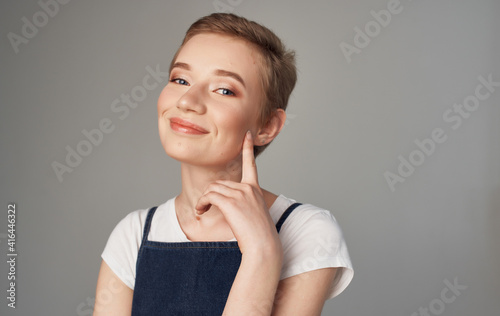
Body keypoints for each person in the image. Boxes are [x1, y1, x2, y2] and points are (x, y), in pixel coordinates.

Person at [93, 13, 353, 315]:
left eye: (224, 89)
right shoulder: (134, 234)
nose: (188, 100)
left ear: (267, 125)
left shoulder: (306, 231)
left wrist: (262, 252)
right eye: (180, 79)